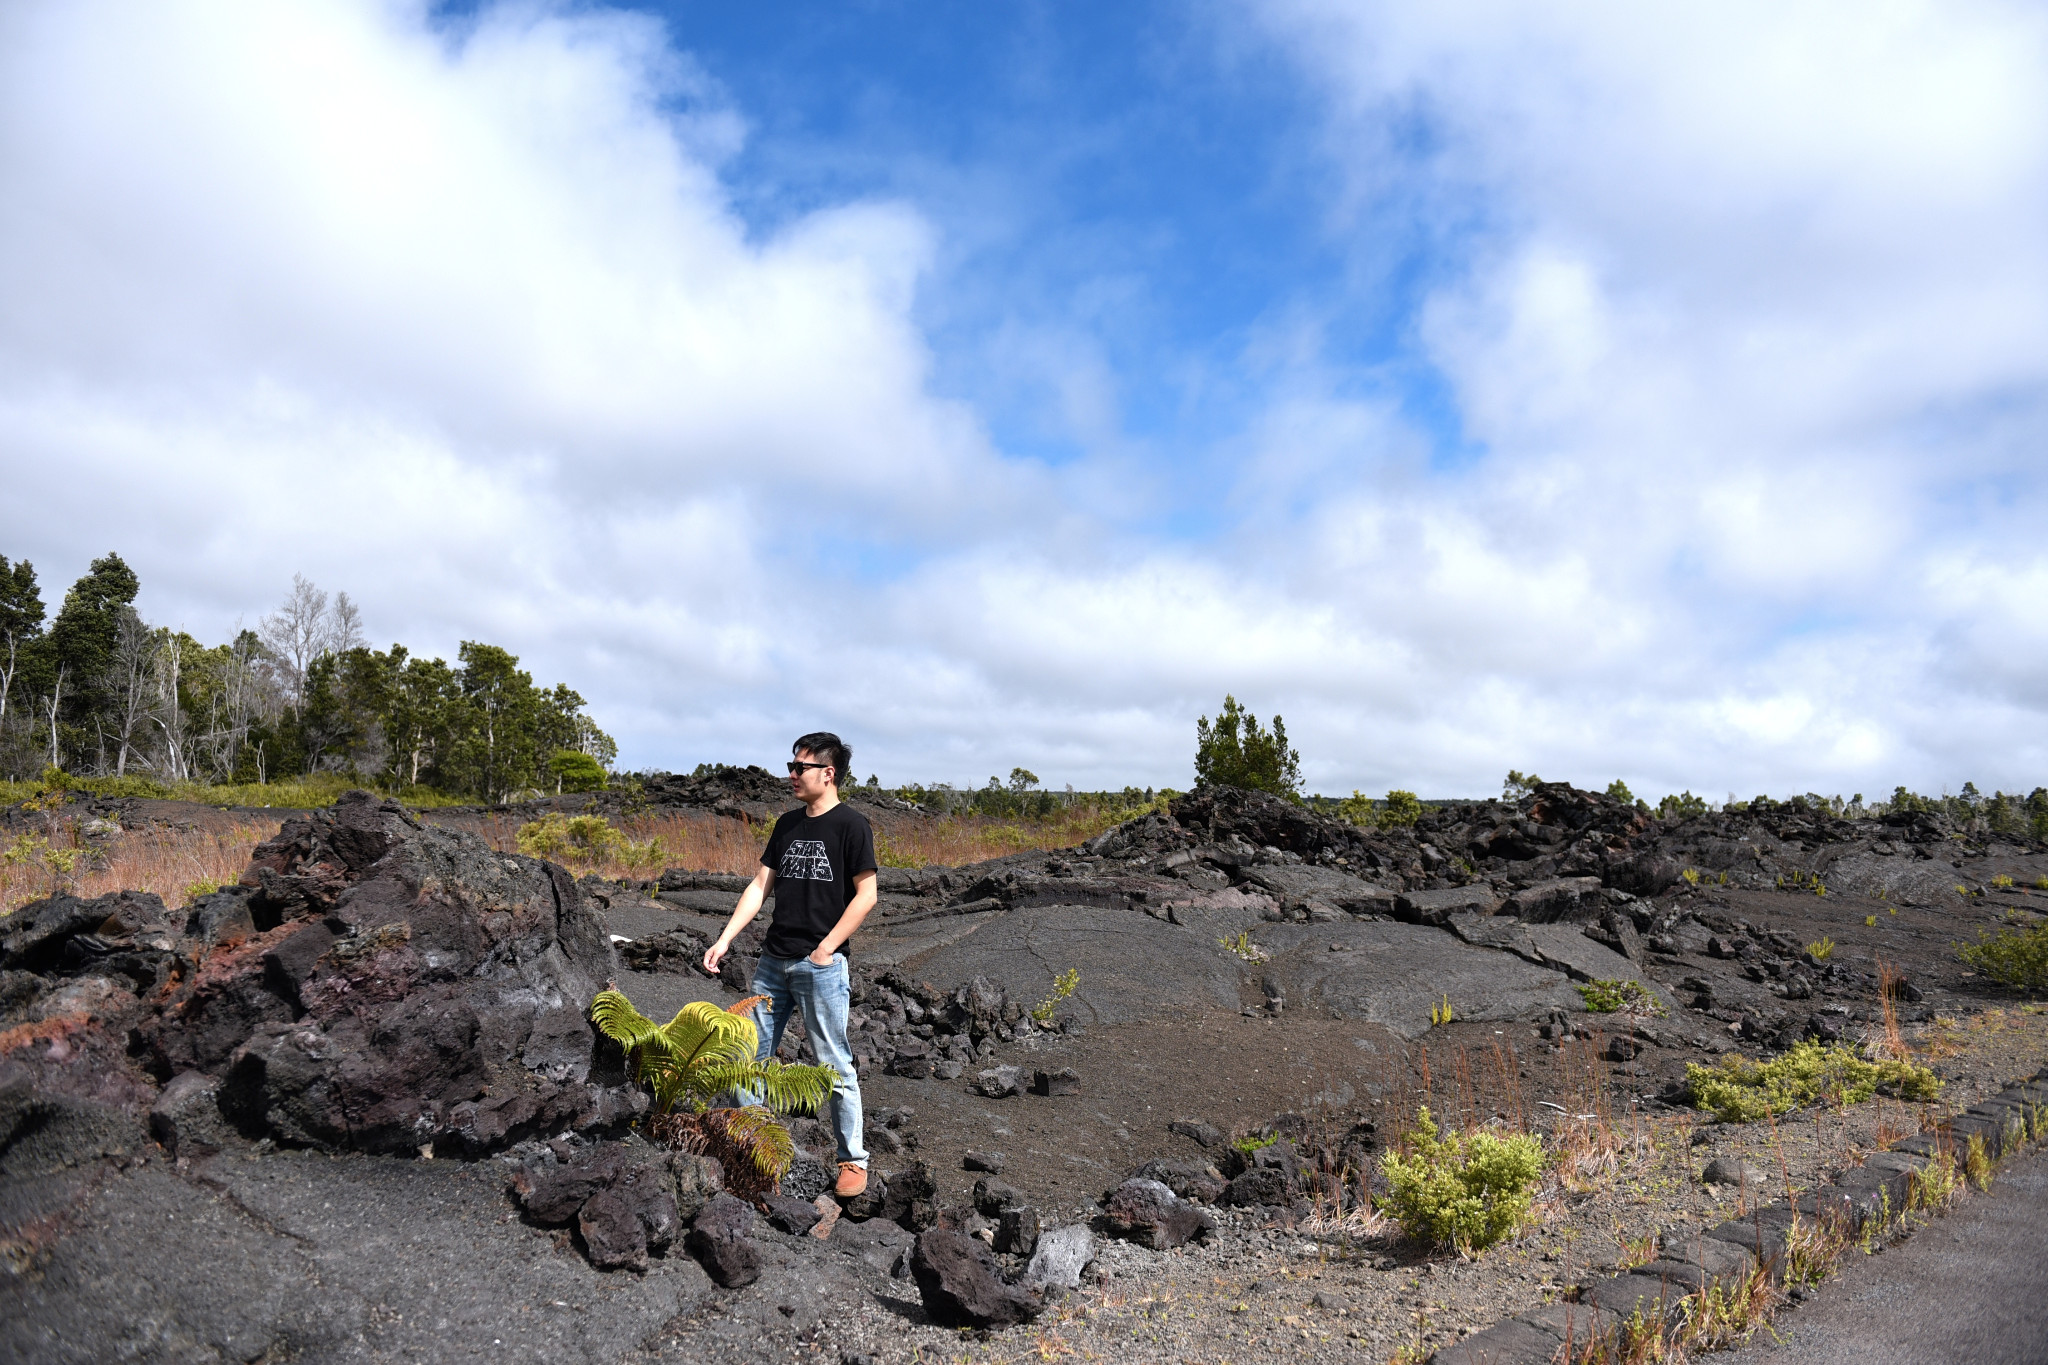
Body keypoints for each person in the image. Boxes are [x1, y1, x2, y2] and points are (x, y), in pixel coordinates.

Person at [703, 731, 878, 1198]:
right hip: (772, 964)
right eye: (791, 766)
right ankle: (754, 1146)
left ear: (829, 773)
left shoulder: (852, 826)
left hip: (820, 967)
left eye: (800, 767)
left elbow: (867, 895)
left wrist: (827, 949)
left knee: (832, 1064)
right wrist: (724, 939)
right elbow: (760, 887)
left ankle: (853, 1162)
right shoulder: (786, 825)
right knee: (747, 1059)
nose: (792, 775)